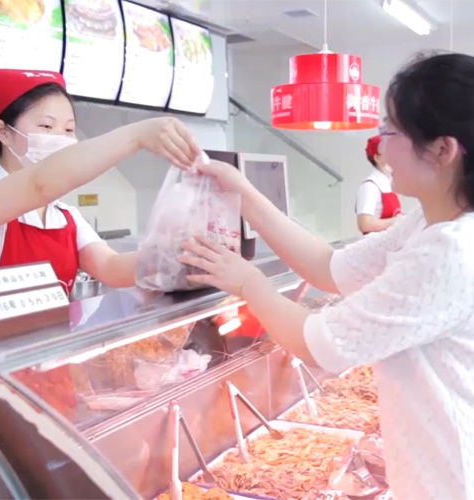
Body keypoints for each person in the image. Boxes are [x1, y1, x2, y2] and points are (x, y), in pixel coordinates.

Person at [179, 52, 474, 499]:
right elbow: (328, 267)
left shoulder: (450, 250)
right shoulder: (427, 222)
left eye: (390, 130)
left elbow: (320, 346)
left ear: (442, 150)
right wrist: (243, 193)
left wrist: (246, 282)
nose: (380, 147)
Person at [0, 69, 200, 322]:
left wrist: (176, 256)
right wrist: (136, 137)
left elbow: (111, 267)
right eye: (46, 126)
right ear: (3, 132)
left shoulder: (66, 217)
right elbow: (40, 184)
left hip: (48, 346)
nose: (61, 139)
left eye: (69, 129)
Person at [355, 134, 401, 234]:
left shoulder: (389, 183)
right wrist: (397, 221)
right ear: (377, 158)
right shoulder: (369, 186)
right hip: (375, 242)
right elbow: (365, 224)